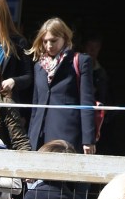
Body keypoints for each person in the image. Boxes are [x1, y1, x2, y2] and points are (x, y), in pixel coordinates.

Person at [25, 17, 96, 154]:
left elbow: (86, 102)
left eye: (53, 41)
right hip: (39, 135)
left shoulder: (81, 61)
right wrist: (30, 139)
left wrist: (88, 139)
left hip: (67, 135)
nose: (49, 45)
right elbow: (36, 106)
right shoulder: (38, 66)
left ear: (65, 38)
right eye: (45, 41)